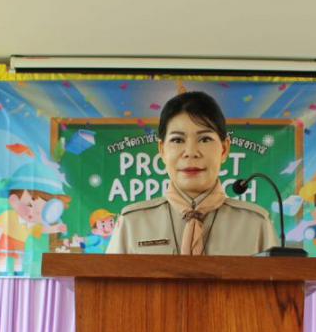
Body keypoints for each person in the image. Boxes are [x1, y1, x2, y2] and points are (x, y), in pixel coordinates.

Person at [107, 91, 277, 255]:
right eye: (177, 140)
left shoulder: (257, 225)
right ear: (162, 150)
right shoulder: (131, 224)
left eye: (205, 139)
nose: (190, 152)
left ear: (224, 149)